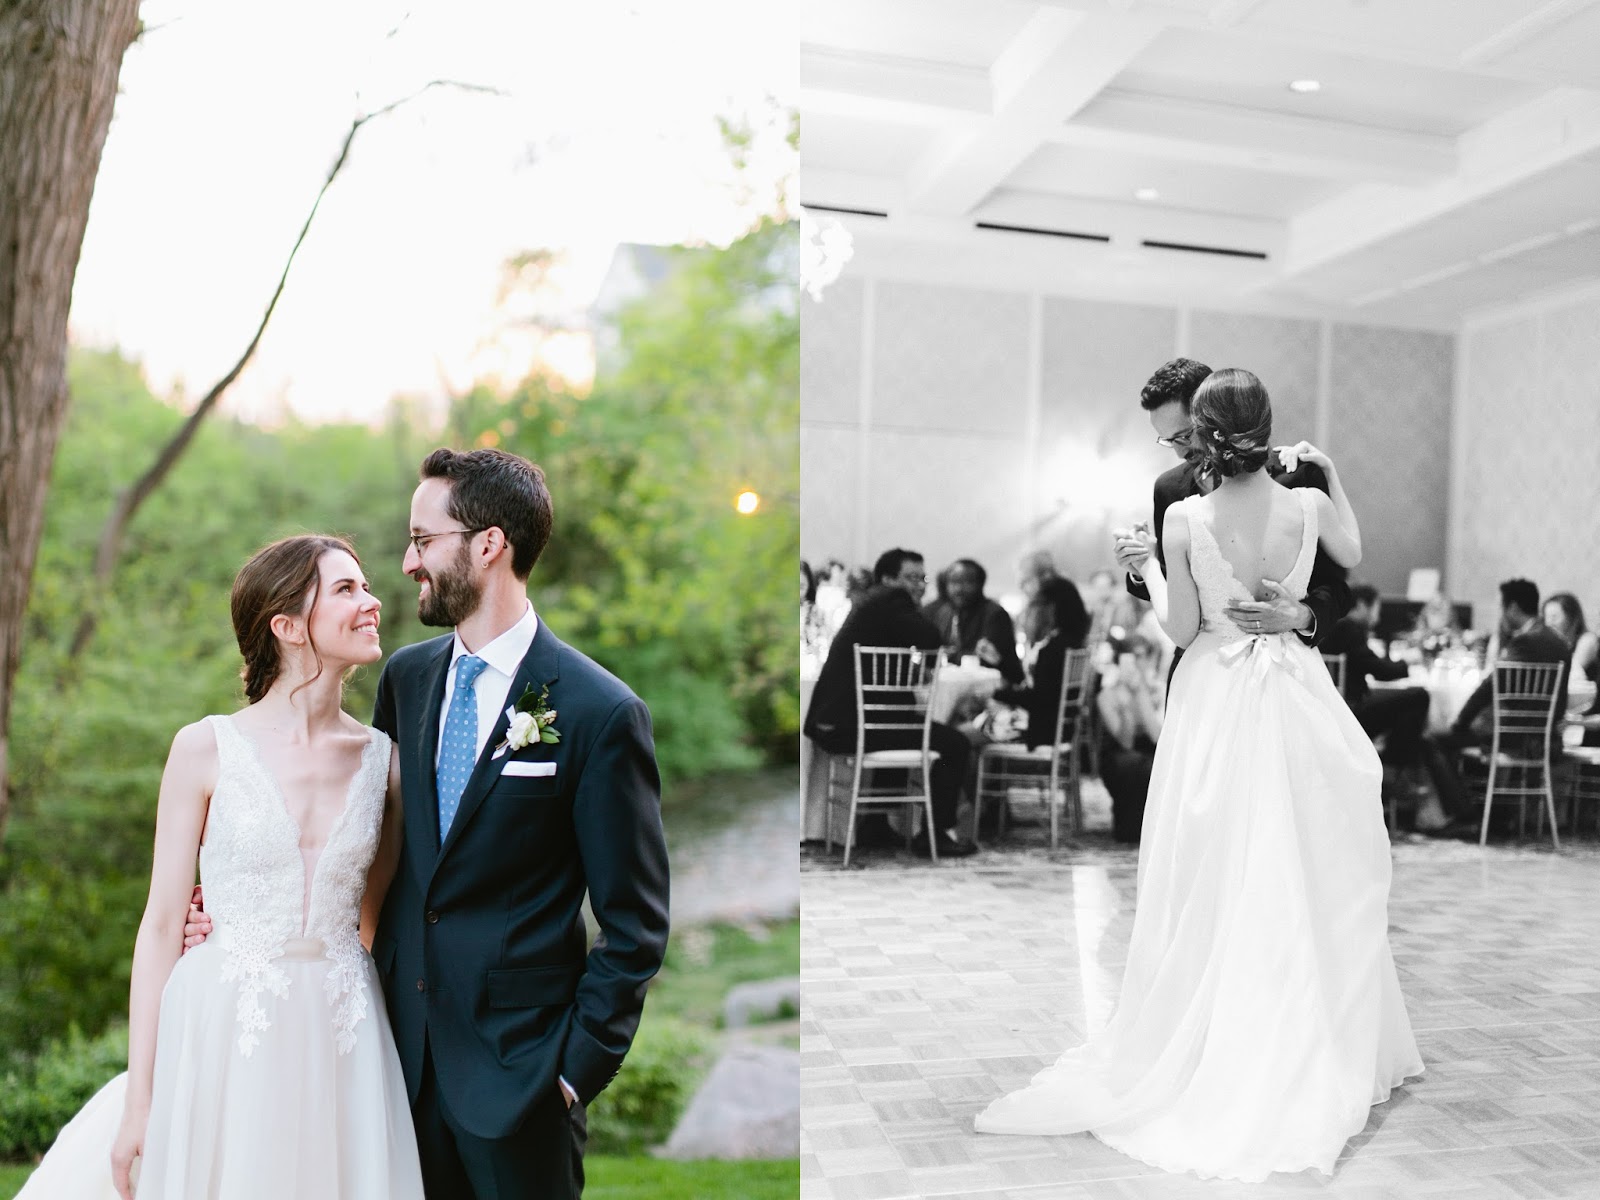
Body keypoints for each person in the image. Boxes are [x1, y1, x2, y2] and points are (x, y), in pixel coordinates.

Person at [975, 368, 1422, 1180]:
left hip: (1218, 696)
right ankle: (1306, 1028)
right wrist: (1332, 474)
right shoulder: (1309, 503)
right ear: (1264, 424)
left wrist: (1148, 568)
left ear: (1204, 433)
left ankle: (1220, 1030)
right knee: (1305, 861)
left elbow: (1182, 629)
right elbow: (1353, 553)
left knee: (1214, 864)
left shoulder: (1183, 517)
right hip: (1293, 694)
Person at [189, 449, 670, 1199]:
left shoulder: (598, 713)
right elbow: (372, 863)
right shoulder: (408, 682)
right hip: (391, 1073)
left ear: (488, 545)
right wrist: (232, 926)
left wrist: (572, 1076)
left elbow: (636, 927)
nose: (408, 563)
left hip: (522, 1084)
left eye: (422, 540)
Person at [20, 535, 424, 1199]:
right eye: (347, 589)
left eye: (366, 586)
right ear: (288, 626)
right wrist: (141, 1100)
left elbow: (375, 924)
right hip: (224, 1020)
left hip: (344, 1032)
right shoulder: (206, 749)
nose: (373, 602)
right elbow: (158, 929)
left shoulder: (388, 764)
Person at [1112, 357, 1353, 685]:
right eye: (1168, 441)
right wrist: (1141, 566)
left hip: (1284, 671)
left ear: (1210, 415)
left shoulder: (1297, 476)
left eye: (1184, 436)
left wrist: (1302, 615)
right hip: (1199, 676)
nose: (1180, 453)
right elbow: (1178, 592)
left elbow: (1337, 583)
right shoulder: (1169, 490)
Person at [803, 548, 977, 858]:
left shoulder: (873, 603)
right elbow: (929, 638)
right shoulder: (892, 600)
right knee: (956, 743)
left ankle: (875, 824)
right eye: (911, 578)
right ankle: (934, 833)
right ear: (887, 579)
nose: (920, 585)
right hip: (849, 726)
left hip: (836, 721)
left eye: (922, 578)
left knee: (902, 720)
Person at [1421, 579, 1570, 827]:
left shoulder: (1526, 641)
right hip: (1545, 737)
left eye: (1502, 607)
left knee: (1434, 739)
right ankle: (1490, 813)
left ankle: (1465, 815)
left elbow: (1491, 686)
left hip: (1516, 737)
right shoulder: (1557, 641)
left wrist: (1461, 721)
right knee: (1469, 733)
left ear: (1512, 608)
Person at [1319, 583, 1449, 831]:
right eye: (1376, 608)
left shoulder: (1333, 626)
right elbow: (1380, 670)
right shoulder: (1349, 627)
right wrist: (1408, 663)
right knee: (1419, 696)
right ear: (1361, 606)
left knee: (1408, 708)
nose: (1377, 615)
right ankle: (1395, 769)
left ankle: (1395, 771)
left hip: (1336, 710)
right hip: (1349, 713)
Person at [968, 577, 1091, 747]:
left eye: (1036, 604)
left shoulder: (1053, 648)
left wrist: (995, 694)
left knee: (961, 734)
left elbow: (1039, 698)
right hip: (1057, 728)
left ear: (1051, 607)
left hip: (1037, 730)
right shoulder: (1070, 643)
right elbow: (1039, 686)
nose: (1032, 610)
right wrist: (999, 662)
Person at [1095, 632, 1165, 844]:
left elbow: (1157, 737)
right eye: (1130, 657)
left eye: (1142, 656)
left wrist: (1140, 692)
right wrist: (1125, 704)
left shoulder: (1159, 690)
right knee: (1132, 764)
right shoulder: (1107, 695)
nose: (1137, 663)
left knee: (1156, 764)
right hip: (1119, 754)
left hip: (1153, 749)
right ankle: (1130, 830)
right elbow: (1124, 742)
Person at [924, 558, 1024, 683]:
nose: (958, 589)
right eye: (953, 582)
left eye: (966, 582)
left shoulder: (994, 614)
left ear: (979, 584)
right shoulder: (942, 612)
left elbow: (985, 660)